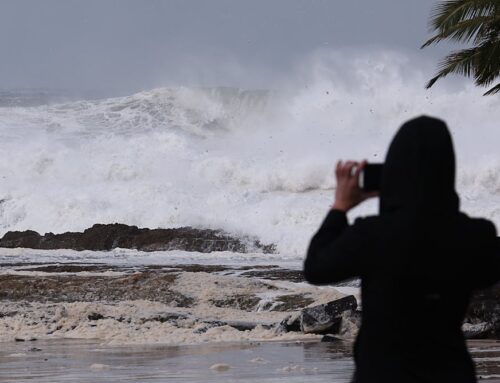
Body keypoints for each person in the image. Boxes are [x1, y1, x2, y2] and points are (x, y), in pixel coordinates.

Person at [304, 116, 500, 383]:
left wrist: (340, 207)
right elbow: (488, 274)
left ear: (392, 172)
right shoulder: (476, 235)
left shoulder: (371, 234)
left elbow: (316, 268)